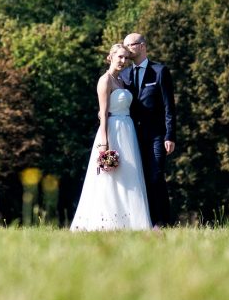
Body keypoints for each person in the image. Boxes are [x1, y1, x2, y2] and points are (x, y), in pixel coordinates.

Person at [70, 44, 152, 230]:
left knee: (128, 175)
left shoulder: (122, 81)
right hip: (112, 129)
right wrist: (104, 143)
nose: (123, 61)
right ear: (111, 57)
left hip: (127, 130)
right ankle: (106, 221)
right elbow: (103, 113)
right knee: (110, 176)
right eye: (120, 57)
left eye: (126, 58)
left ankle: (131, 221)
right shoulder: (105, 80)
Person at [121, 32, 176, 225]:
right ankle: (147, 222)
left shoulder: (160, 71)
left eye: (130, 45)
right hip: (132, 136)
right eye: (124, 45)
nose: (126, 49)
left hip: (157, 135)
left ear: (142, 46)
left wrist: (170, 135)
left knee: (156, 176)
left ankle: (163, 222)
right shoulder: (124, 74)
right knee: (139, 179)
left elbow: (169, 106)